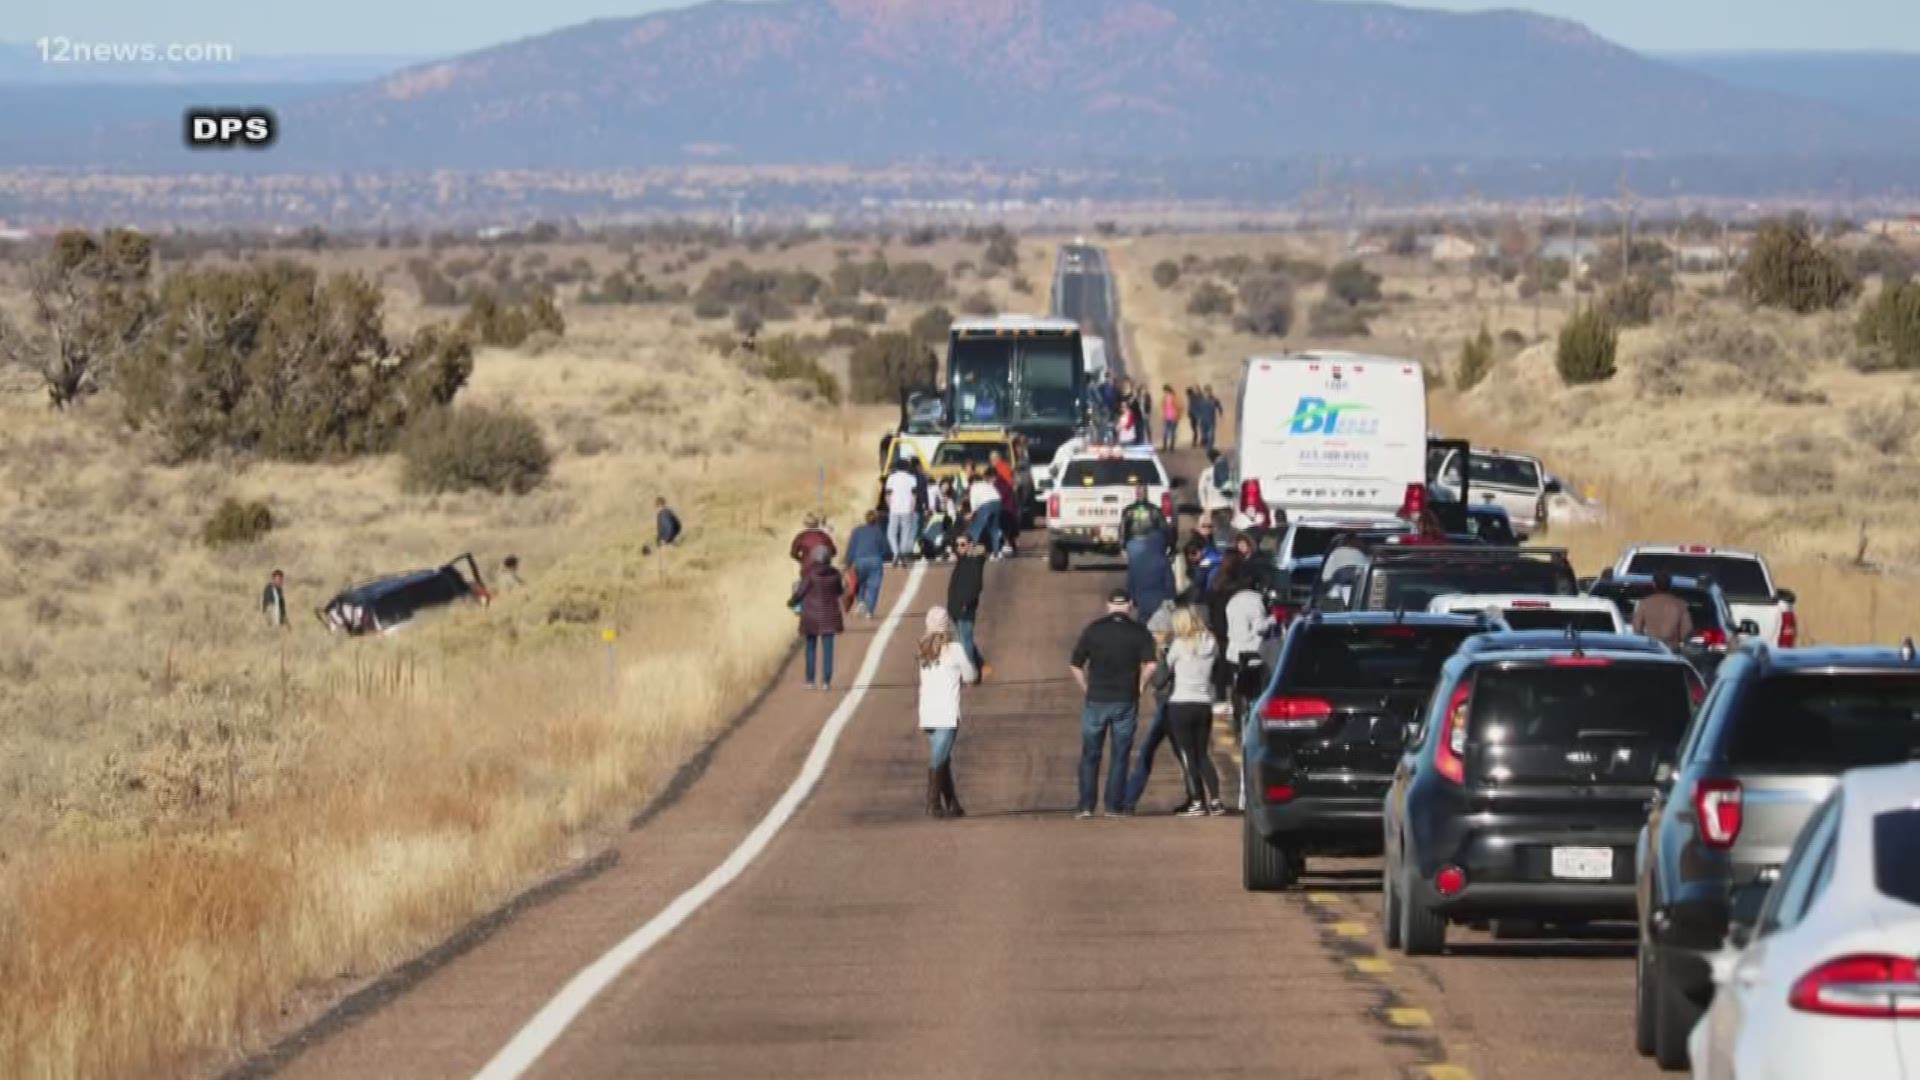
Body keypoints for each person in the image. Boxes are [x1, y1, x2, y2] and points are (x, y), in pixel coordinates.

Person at [1070, 589, 1160, 818]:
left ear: (1108, 606)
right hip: (1125, 699)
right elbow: (1151, 664)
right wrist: (1140, 686)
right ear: (1130, 605)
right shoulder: (1139, 632)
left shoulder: (1094, 630)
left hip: (1096, 699)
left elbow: (1075, 664)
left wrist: (1086, 688)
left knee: (1091, 753)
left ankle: (1086, 805)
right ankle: (1112, 806)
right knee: (1120, 755)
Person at [1123, 600, 1188, 814]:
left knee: (1151, 751)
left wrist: (1159, 658)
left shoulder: (1171, 652)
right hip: (1171, 705)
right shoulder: (1180, 647)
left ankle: (1128, 801)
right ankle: (1203, 798)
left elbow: (1159, 680)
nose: (1152, 637)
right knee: (1187, 754)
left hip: (1171, 706)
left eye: (1156, 632)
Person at [918, 605, 977, 818]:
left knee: (943, 757)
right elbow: (970, 675)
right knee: (938, 758)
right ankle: (932, 802)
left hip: (927, 712)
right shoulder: (955, 649)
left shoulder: (923, 648)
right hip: (946, 713)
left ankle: (952, 803)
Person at [1165, 605, 1224, 816]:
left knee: (1187, 755)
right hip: (1203, 703)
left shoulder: (1179, 645)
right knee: (1202, 754)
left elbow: (1166, 670)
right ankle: (1216, 800)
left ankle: (1197, 801)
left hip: (1181, 703)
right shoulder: (1211, 643)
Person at [1223, 565, 1276, 743]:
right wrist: (1273, 619)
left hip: (1233, 652)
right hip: (1252, 652)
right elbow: (1259, 627)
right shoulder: (1255, 601)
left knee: (1237, 690)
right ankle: (1253, 725)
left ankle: (1237, 724)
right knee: (1255, 691)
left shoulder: (1233, 600)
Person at [792, 545, 845, 690]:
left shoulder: (810, 574)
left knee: (810, 649)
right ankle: (826, 682)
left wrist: (792, 602)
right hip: (830, 616)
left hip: (811, 617)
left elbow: (800, 593)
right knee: (828, 650)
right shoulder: (835, 574)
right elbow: (840, 591)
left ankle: (810, 681)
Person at [948, 534, 990, 679]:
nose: (959, 548)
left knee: (965, 640)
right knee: (964, 640)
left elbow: (977, 585)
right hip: (954, 607)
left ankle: (971, 673)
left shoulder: (974, 561)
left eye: (963, 544)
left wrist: (967, 602)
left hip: (965, 607)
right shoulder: (962, 560)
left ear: (970, 545)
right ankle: (980, 664)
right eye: (957, 545)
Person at [1125, 525, 1178, 623]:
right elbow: (1169, 582)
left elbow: (1130, 580)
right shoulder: (1163, 560)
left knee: (1143, 625)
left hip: (1142, 600)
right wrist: (1171, 598)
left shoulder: (1137, 559)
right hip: (1160, 601)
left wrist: (1131, 596)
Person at [845, 510, 891, 619]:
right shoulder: (878, 531)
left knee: (859, 582)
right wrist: (881, 556)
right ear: (876, 520)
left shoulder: (857, 531)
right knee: (874, 587)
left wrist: (848, 563)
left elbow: (851, 548)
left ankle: (861, 601)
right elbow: (885, 548)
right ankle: (869, 611)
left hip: (859, 560)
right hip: (875, 559)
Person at [1633, 571, 1694, 649]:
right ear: (1670, 585)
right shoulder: (1680, 604)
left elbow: (1637, 627)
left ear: (1654, 584)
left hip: (1652, 647)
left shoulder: (1645, 603)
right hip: (1672, 647)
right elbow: (1687, 630)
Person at [883, 461, 919, 570]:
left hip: (894, 509)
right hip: (907, 509)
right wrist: (912, 509)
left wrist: (890, 506)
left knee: (891, 533)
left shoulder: (891, 478)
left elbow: (888, 494)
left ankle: (895, 552)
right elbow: (914, 496)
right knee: (905, 532)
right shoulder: (912, 479)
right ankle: (902, 552)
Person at [966, 467, 1004, 556]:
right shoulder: (987, 484)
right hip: (997, 502)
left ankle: (972, 549)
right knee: (994, 528)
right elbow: (997, 495)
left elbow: (973, 501)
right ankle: (997, 552)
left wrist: (971, 514)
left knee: (977, 527)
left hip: (985, 504)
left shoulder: (974, 486)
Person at [1119, 484, 1169, 548]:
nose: (1140, 494)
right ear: (1136, 493)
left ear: (1146, 493)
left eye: (1142, 492)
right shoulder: (1129, 510)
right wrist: (1122, 547)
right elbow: (1122, 529)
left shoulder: (1154, 510)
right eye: (1138, 492)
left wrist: (1164, 545)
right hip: (1134, 545)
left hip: (1149, 545)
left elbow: (1163, 528)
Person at [1160, 384, 1182, 453]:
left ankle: (1171, 447)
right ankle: (1165, 447)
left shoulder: (1175, 397)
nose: (1165, 392)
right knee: (1166, 432)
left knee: (1172, 432)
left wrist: (1178, 416)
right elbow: (1163, 407)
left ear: (1168, 390)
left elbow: (1180, 407)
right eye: (1164, 391)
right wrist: (1163, 414)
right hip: (1167, 417)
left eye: (1165, 390)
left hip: (1174, 417)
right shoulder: (1164, 397)